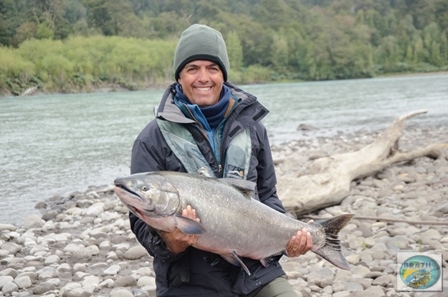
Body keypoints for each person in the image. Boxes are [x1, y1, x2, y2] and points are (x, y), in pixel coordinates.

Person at [129, 23, 313, 297]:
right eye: (193, 69)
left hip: (255, 273)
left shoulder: (253, 128)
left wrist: (288, 241)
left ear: (223, 75)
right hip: (189, 281)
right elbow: (139, 223)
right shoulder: (152, 138)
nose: (203, 77)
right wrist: (172, 243)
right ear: (179, 77)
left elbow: (267, 195)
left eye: (212, 68)